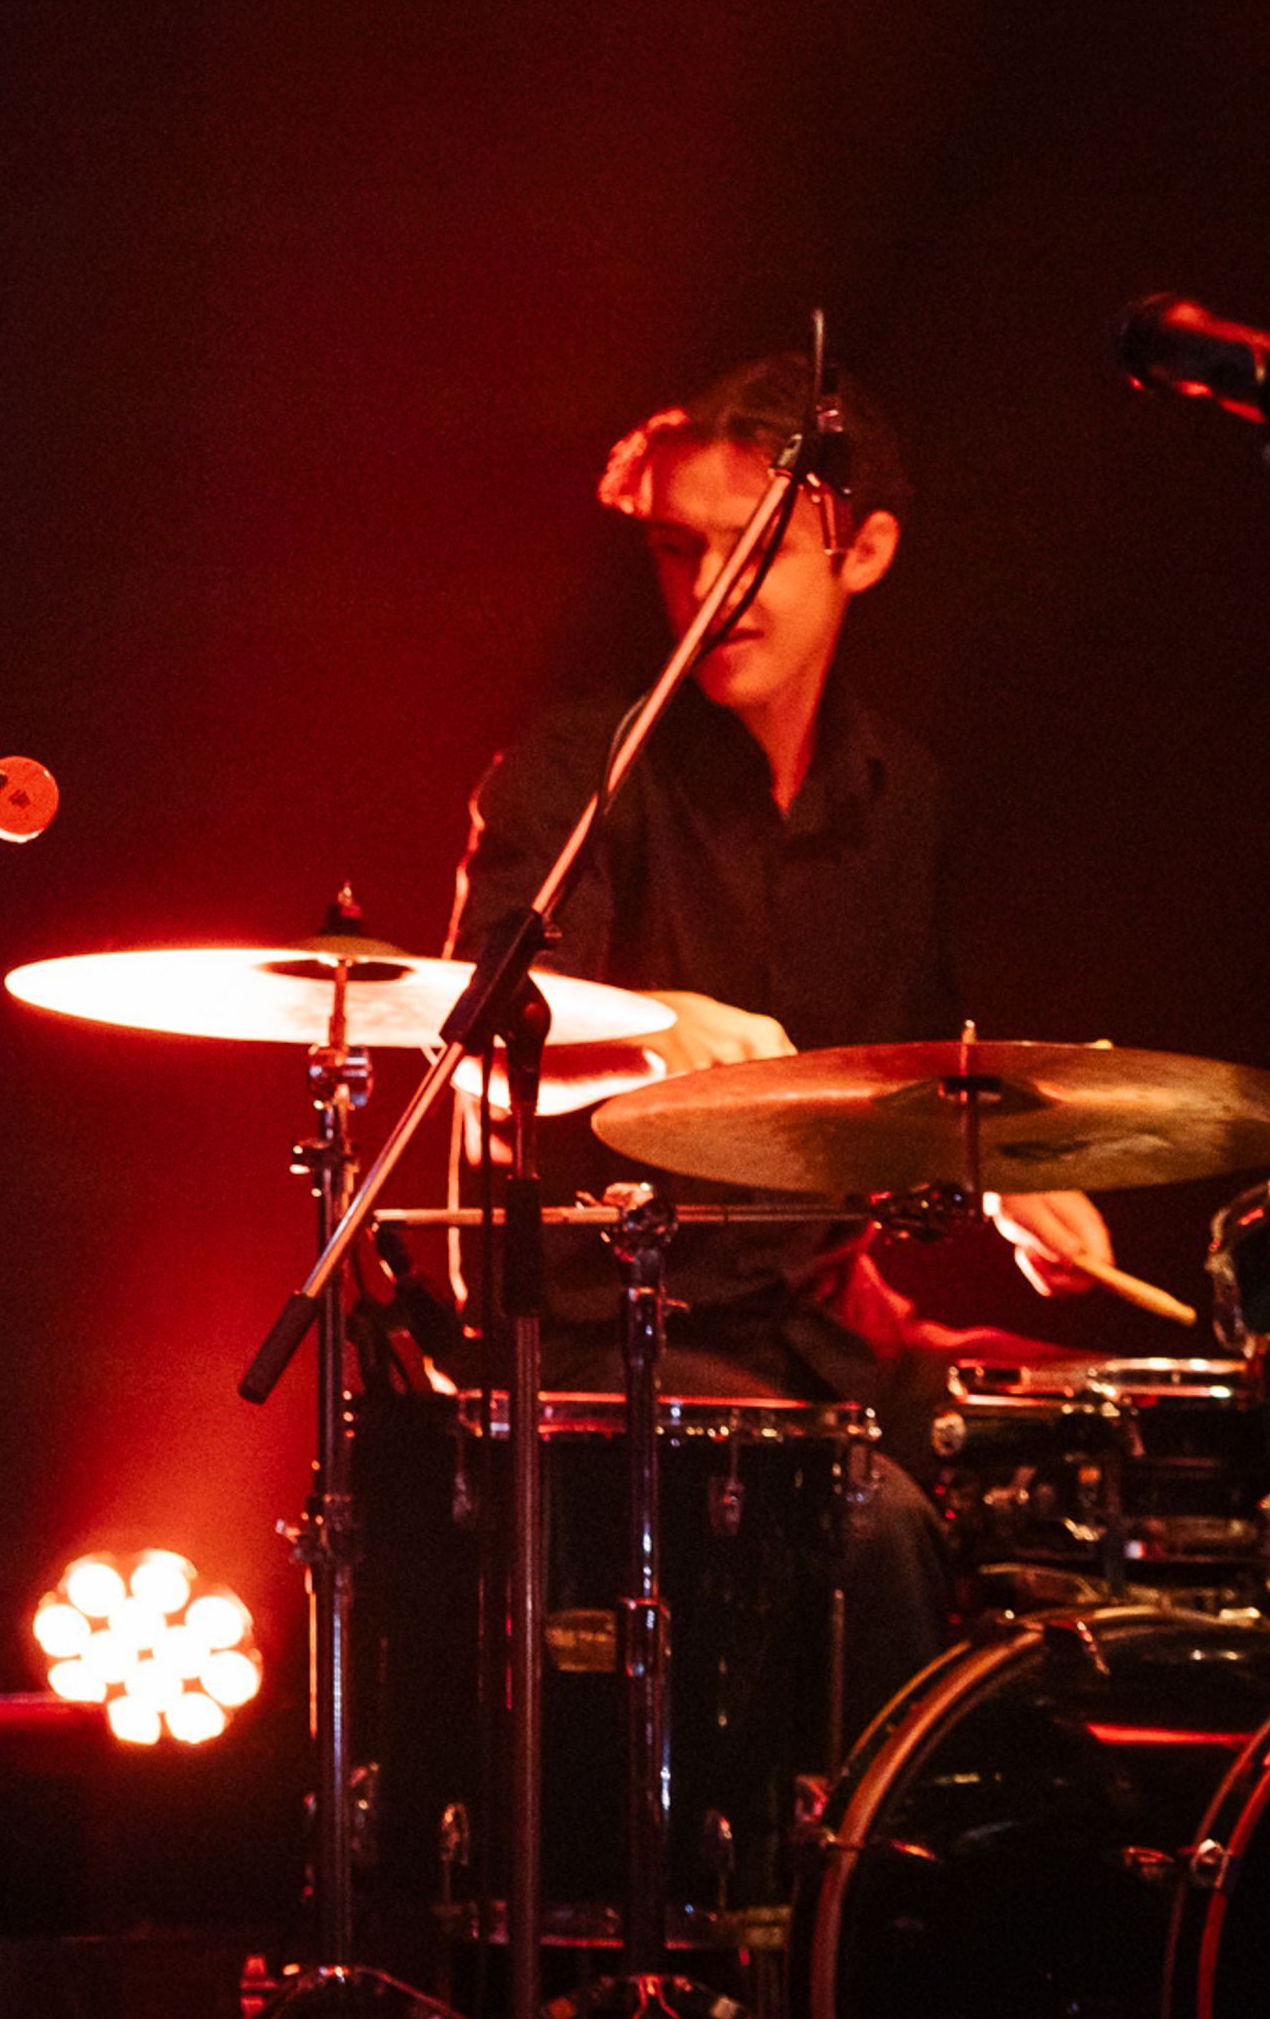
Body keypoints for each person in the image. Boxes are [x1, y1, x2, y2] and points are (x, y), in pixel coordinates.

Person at [445, 353, 1113, 1712]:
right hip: (619, 1348)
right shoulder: (585, 773)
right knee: (863, 1527)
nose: (711, 589)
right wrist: (650, 1024)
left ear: (864, 551)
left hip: (825, 1334)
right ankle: (853, 1893)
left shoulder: (902, 797)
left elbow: (914, 1075)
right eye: (677, 551)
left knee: (1112, 1455)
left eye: (752, 549)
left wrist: (1015, 1165)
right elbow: (473, 1041)